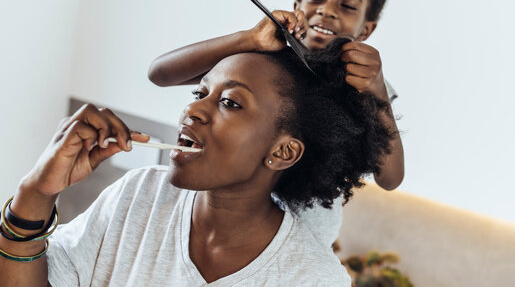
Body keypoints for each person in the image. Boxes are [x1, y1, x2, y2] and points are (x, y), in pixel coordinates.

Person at [0, 39, 393, 286]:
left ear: (282, 152)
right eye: (200, 92)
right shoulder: (138, 196)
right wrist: (35, 194)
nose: (193, 109)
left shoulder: (312, 278)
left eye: (230, 102)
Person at [147, 0, 403, 192]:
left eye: (347, 6)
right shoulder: (264, 59)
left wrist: (377, 91)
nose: (327, 10)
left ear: (366, 30)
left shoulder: (365, 83)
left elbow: (390, 179)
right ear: (297, 6)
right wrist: (249, 39)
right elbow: (160, 74)